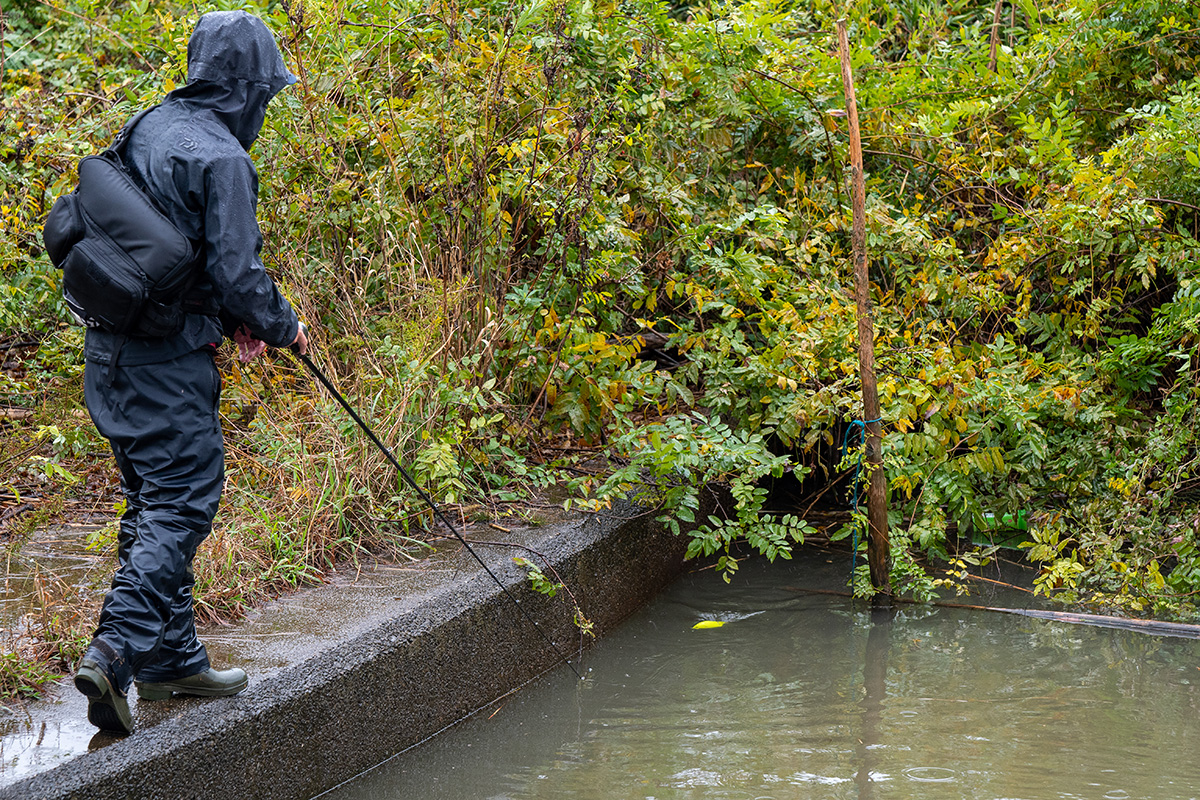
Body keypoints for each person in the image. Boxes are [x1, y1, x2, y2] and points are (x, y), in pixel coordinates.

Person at [72, 10, 309, 735]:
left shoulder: (150, 124)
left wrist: (231, 316)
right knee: (180, 502)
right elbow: (238, 272)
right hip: (167, 368)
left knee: (152, 503)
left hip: (109, 353)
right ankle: (114, 654)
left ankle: (171, 661)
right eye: (267, 93)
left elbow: (165, 250)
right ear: (250, 88)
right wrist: (282, 325)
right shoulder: (225, 159)